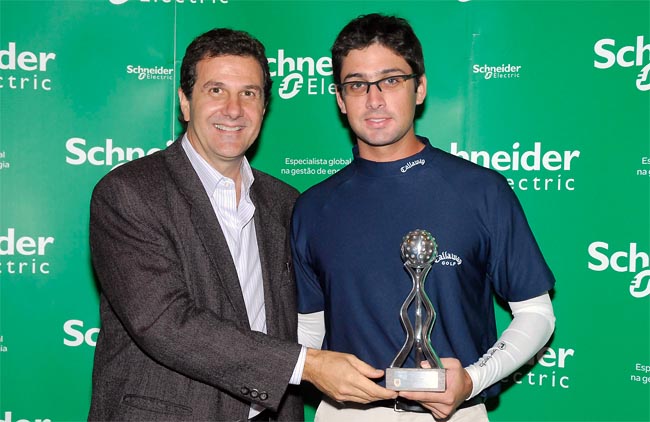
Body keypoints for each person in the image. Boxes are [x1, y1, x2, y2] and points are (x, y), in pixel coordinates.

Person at [88, 28, 396, 421]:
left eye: (248, 93)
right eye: (216, 90)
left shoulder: (286, 202)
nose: (233, 109)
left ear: (264, 108)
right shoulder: (130, 193)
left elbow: (311, 313)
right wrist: (309, 366)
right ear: (184, 102)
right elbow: (163, 322)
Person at [292, 14, 556, 422]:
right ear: (340, 99)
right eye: (357, 84)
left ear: (420, 88)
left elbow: (536, 313)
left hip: (454, 412)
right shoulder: (312, 207)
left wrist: (472, 379)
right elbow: (309, 330)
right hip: (347, 414)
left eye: (391, 80)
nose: (374, 99)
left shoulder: (481, 191)